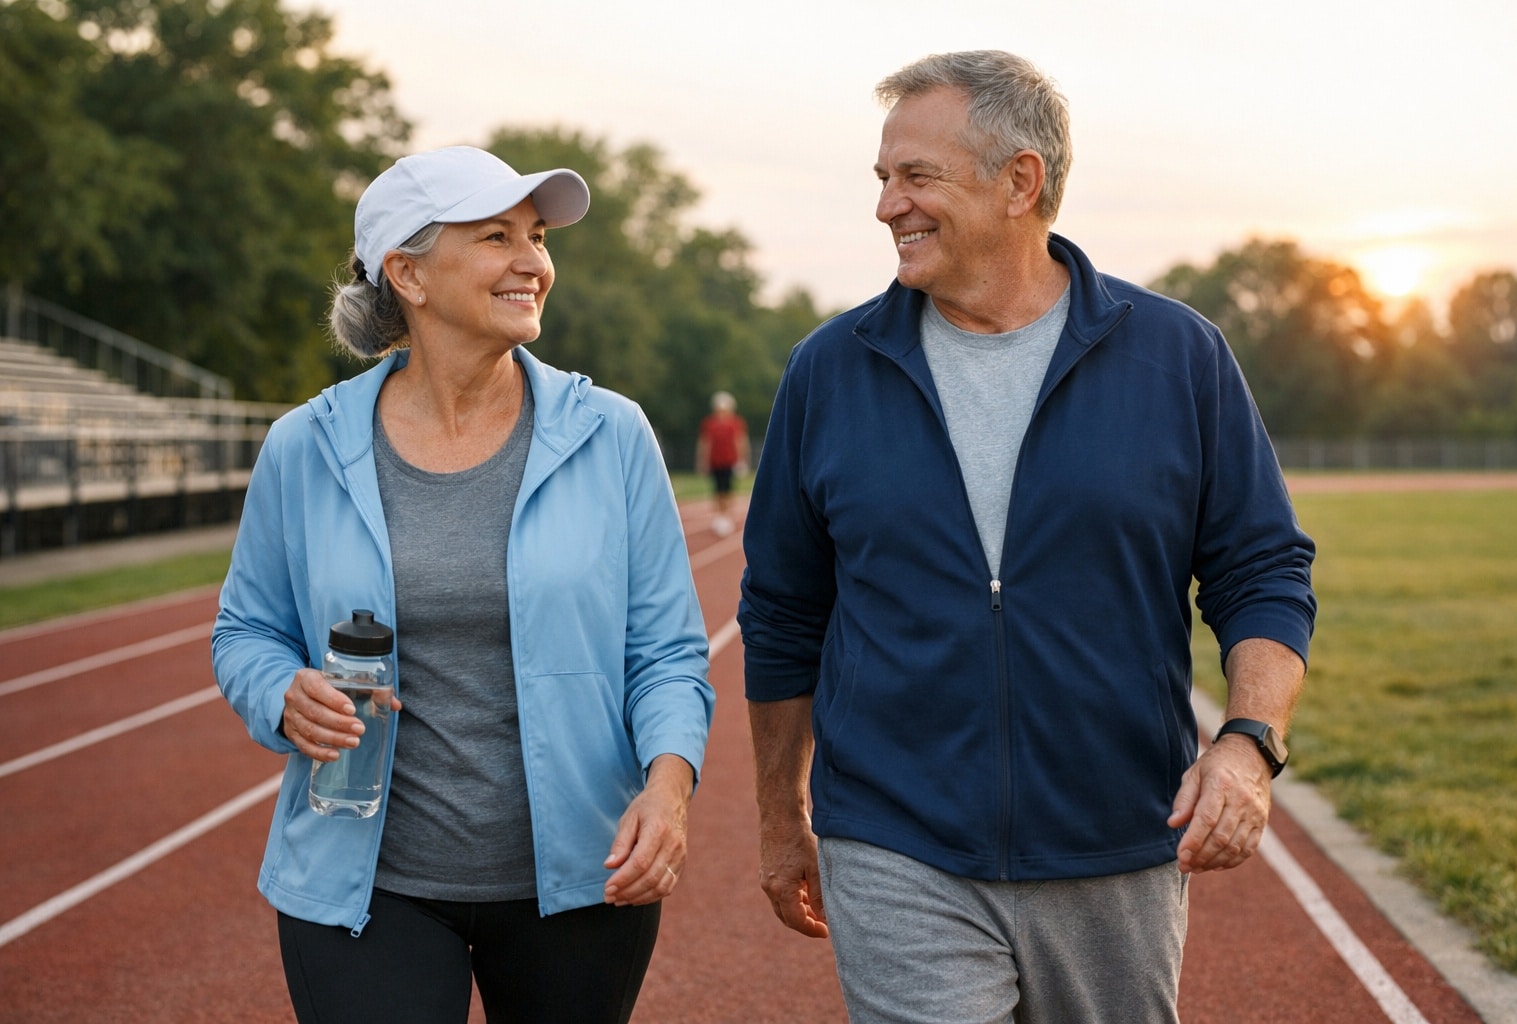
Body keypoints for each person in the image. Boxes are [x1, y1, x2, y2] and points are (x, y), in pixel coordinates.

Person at [738, 51, 1316, 1023]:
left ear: (1020, 180)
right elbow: (784, 609)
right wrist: (777, 819)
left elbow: (1261, 568)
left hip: (1117, 841)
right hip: (894, 835)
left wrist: (1251, 742)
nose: (888, 205)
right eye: (882, 179)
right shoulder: (829, 371)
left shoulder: (1177, 356)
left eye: (915, 176)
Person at [212, 145, 714, 1024]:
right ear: (407, 272)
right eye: (496, 236)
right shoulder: (305, 445)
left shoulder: (613, 434)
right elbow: (245, 631)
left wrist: (667, 791)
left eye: (538, 236)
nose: (533, 262)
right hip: (366, 882)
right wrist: (277, 693)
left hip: (581, 881)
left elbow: (668, 652)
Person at [695, 389, 749, 535]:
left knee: (728, 490)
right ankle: (720, 516)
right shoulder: (709, 423)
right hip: (715, 462)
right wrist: (703, 461)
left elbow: (740, 442)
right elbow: (705, 443)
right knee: (717, 490)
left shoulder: (735, 423)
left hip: (729, 461)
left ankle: (726, 516)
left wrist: (741, 460)